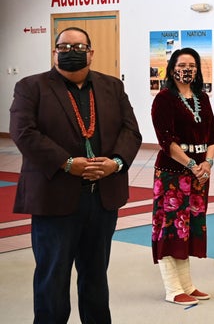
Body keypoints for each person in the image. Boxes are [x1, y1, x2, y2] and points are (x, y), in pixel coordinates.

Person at [9, 27, 142, 323]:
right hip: (55, 198)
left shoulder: (111, 87)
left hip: (102, 199)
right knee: (52, 279)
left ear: (91, 53)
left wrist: (116, 163)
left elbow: (131, 131)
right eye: (65, 47)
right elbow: (24, 133)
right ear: (54, 52)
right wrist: (68, 163)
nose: (72, 52)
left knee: (96, 277)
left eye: (79, 47)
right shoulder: (31, 87)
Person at [151, 48, 214, 305]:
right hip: (172, 173)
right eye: (182, 64)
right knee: (170, 227)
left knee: (187, 228)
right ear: (172, 68)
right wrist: (193, 164)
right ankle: (172, 289)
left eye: (192, 65)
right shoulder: (164, 99)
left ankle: (187, 285)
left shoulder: (202, 97)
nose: (187, 69)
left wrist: (207, 164)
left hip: (200, 174)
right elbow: (165, 141)